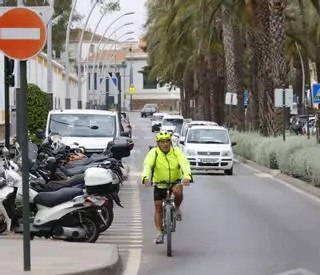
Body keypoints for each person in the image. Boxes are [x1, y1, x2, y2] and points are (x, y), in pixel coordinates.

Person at [141, 130, 192, 244]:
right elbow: (147, 165)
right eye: (162, 142)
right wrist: (145, 178)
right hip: (159, 183)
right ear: (158, 143)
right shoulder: (154, 153)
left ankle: (177, 208)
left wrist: (187, 176)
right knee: (158, 208)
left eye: (167, 141)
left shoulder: (176, 151)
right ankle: (159, 233)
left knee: (177, 191)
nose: (165, 144)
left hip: (175, 180)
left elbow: (184, 163)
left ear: (170, 142)